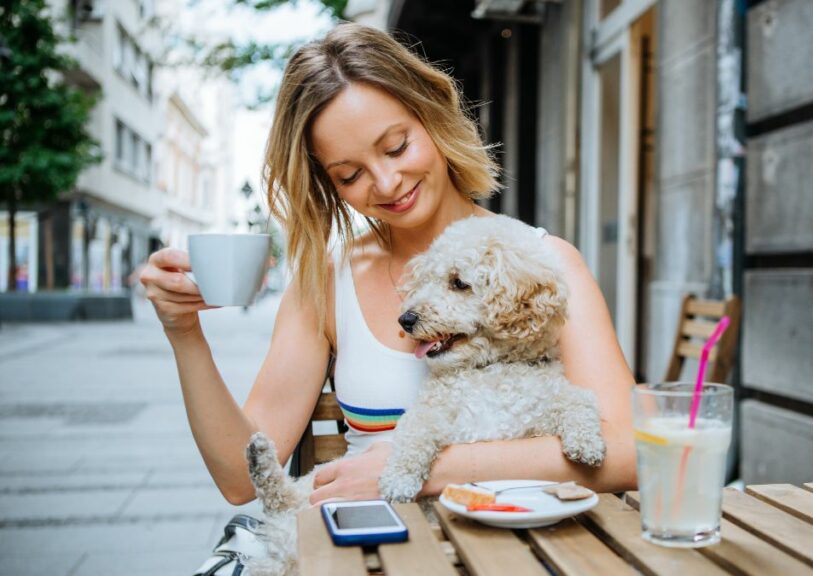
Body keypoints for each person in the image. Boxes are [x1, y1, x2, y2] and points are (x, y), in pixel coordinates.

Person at [140, 22, 636, 506]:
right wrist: (184, 333)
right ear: (328, 185)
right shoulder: (327, 281)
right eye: (350, 174)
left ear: (434, 116)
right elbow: (242, 480)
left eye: (397, 146)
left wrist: (421, 469)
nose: (386, 181)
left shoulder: (547, 262)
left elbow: (628, 452)